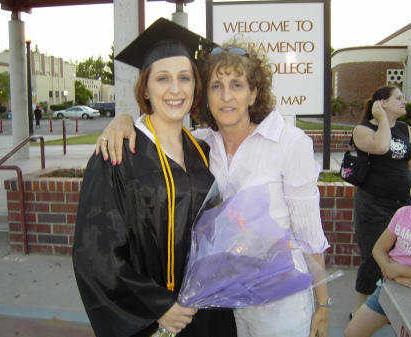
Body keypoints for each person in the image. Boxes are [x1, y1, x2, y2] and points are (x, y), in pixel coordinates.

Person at [96, 40, 331, 337]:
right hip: (223, 305)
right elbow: (156, 131)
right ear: (205, 95)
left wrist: (323, 305)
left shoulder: (289, 144)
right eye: (216, 86)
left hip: (279, 304)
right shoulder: (201, 144)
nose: (226, 96)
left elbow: (311, 235)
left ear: (253, 93)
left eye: (237, 85)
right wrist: (123, 119)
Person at [72, 18, 236, 337]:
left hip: (206, 313)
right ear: (146, 87)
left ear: (195, 87)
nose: (175, 89)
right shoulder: (117, 155)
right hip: (154, 320)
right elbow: (95, 254)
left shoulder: (202, 150)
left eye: (184, 78)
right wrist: (157, 305)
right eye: (163, 78)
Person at [344, 158, 411, 337]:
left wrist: (400, 271)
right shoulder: (402, 213)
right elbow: (379, 249)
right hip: (391, 285)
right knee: (353, 332)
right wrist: (392, 273)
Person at [350, 85, 411, 317]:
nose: (404, 101)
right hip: (373, 205)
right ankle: (359, 310)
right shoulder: (363, 129)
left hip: (404, 206)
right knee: (373, 257)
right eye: (398, 98)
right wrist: (380, 119)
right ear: (382, 103)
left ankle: (387, 308)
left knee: (400, 256)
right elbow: (381, 146)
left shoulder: (404, 128)